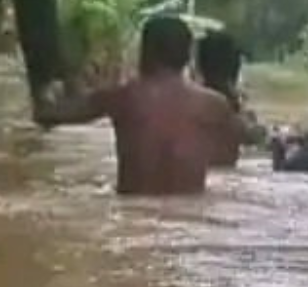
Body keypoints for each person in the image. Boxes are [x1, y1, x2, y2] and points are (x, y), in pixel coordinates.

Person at [33, 14, 241, 195]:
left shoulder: (120, 97)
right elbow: (236, 154)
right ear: (187, 56)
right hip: (192, 214)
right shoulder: (214, 105)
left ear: (145, 51)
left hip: (133, 211)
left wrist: (48, 93)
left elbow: (48, 115)